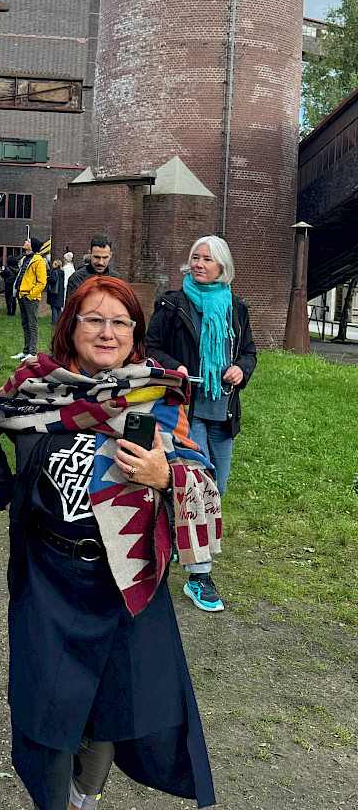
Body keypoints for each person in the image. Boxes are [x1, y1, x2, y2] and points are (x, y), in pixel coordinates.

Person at [0, 276, 219, 810]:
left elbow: (203, 480)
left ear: (135, 335)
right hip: (48, 576)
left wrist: (164, 476)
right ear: (71, 327)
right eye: (95, 320)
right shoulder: (39, 387)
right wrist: (6, 489)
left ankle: (86, 797)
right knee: (48, 706)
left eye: (120, 322)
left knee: (113, 703)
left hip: (124, 579)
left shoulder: (158, 397)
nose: (107, 332)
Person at [146, 234, 256, 614]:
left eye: (207, 259)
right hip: (185, 412)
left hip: (223, 413)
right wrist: (172, 366)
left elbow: (248, 352)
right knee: (198, 489)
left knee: (217, 488)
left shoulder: (236, 307)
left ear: (222, 266)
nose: (198, 264)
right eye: (195, 257)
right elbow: (151, 347)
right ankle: (199, 577)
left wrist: (241, 369)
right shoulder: (172, 304)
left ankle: (179, 537)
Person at [13, 236, 47, 360]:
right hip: (22, 295)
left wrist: (31, 295)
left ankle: (32, 352)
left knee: (32, 325)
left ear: (32, 246)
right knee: (25, 324)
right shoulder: (25, 259)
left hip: (30, 298)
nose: (25, 241)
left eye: (28, 241)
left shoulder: (39, 261)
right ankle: (26, 350)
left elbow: (42, 282)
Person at [46, 258, 65, 324]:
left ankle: (54, 321)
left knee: (53, 307)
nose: (52, 264)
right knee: (58, 307)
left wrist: (47, 278)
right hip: (60, 292)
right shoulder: (62, 272)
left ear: (56, 265)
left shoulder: (54, 271)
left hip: (54, 292)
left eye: (53, 263)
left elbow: (54, 280)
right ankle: (60, 321)